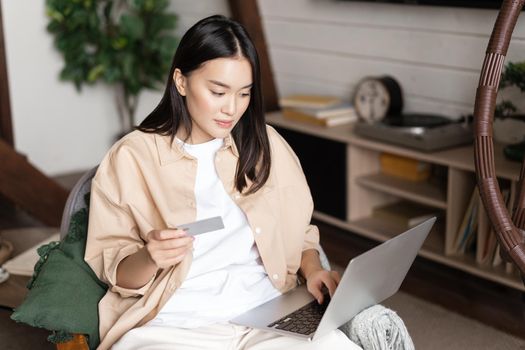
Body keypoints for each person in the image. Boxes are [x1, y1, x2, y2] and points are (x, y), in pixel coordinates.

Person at [85, 15, 360, 350]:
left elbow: (299, 234)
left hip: (268, 315)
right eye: (218, 91)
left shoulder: (265, 144)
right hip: (176, 325)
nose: (231, 108)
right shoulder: (131, 158)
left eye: (244, 94)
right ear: (181, 82)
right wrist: (150, 256)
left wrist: (314, 269)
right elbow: (116, 273)